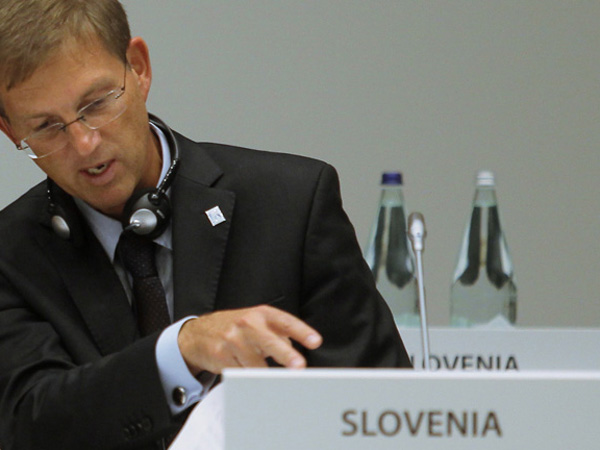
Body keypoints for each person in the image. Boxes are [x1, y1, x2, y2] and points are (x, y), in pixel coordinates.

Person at [0, 1, 411, 449]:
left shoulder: (291, 204)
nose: (84, 144)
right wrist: (178, 351)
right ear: (10, 131)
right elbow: (28, 422)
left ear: (139, 68)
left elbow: (385, 409)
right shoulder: (10, 254)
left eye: (96, 104)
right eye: (46, 127)